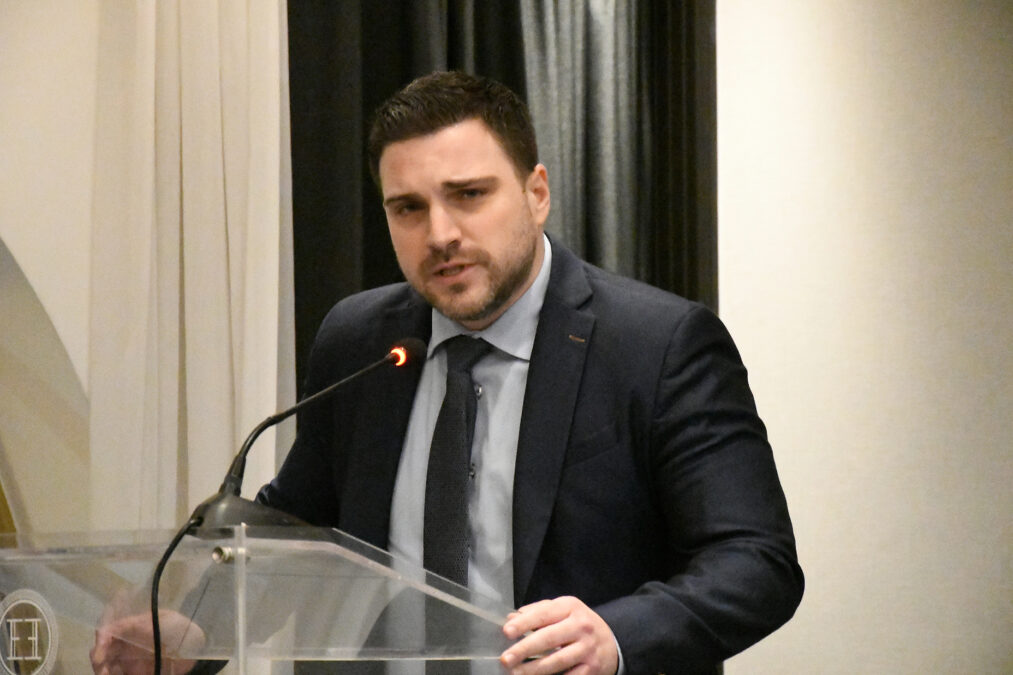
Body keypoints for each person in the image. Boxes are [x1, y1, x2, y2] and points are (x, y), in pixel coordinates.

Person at [93, 71, 802, 674]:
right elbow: (300, 538)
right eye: (408, 208)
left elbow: (755, 560)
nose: (440, 235)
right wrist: (196, 629)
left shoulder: (658, 345)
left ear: (537, 193)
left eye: (468, 195)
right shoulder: (358, 340)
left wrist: (617, 636)